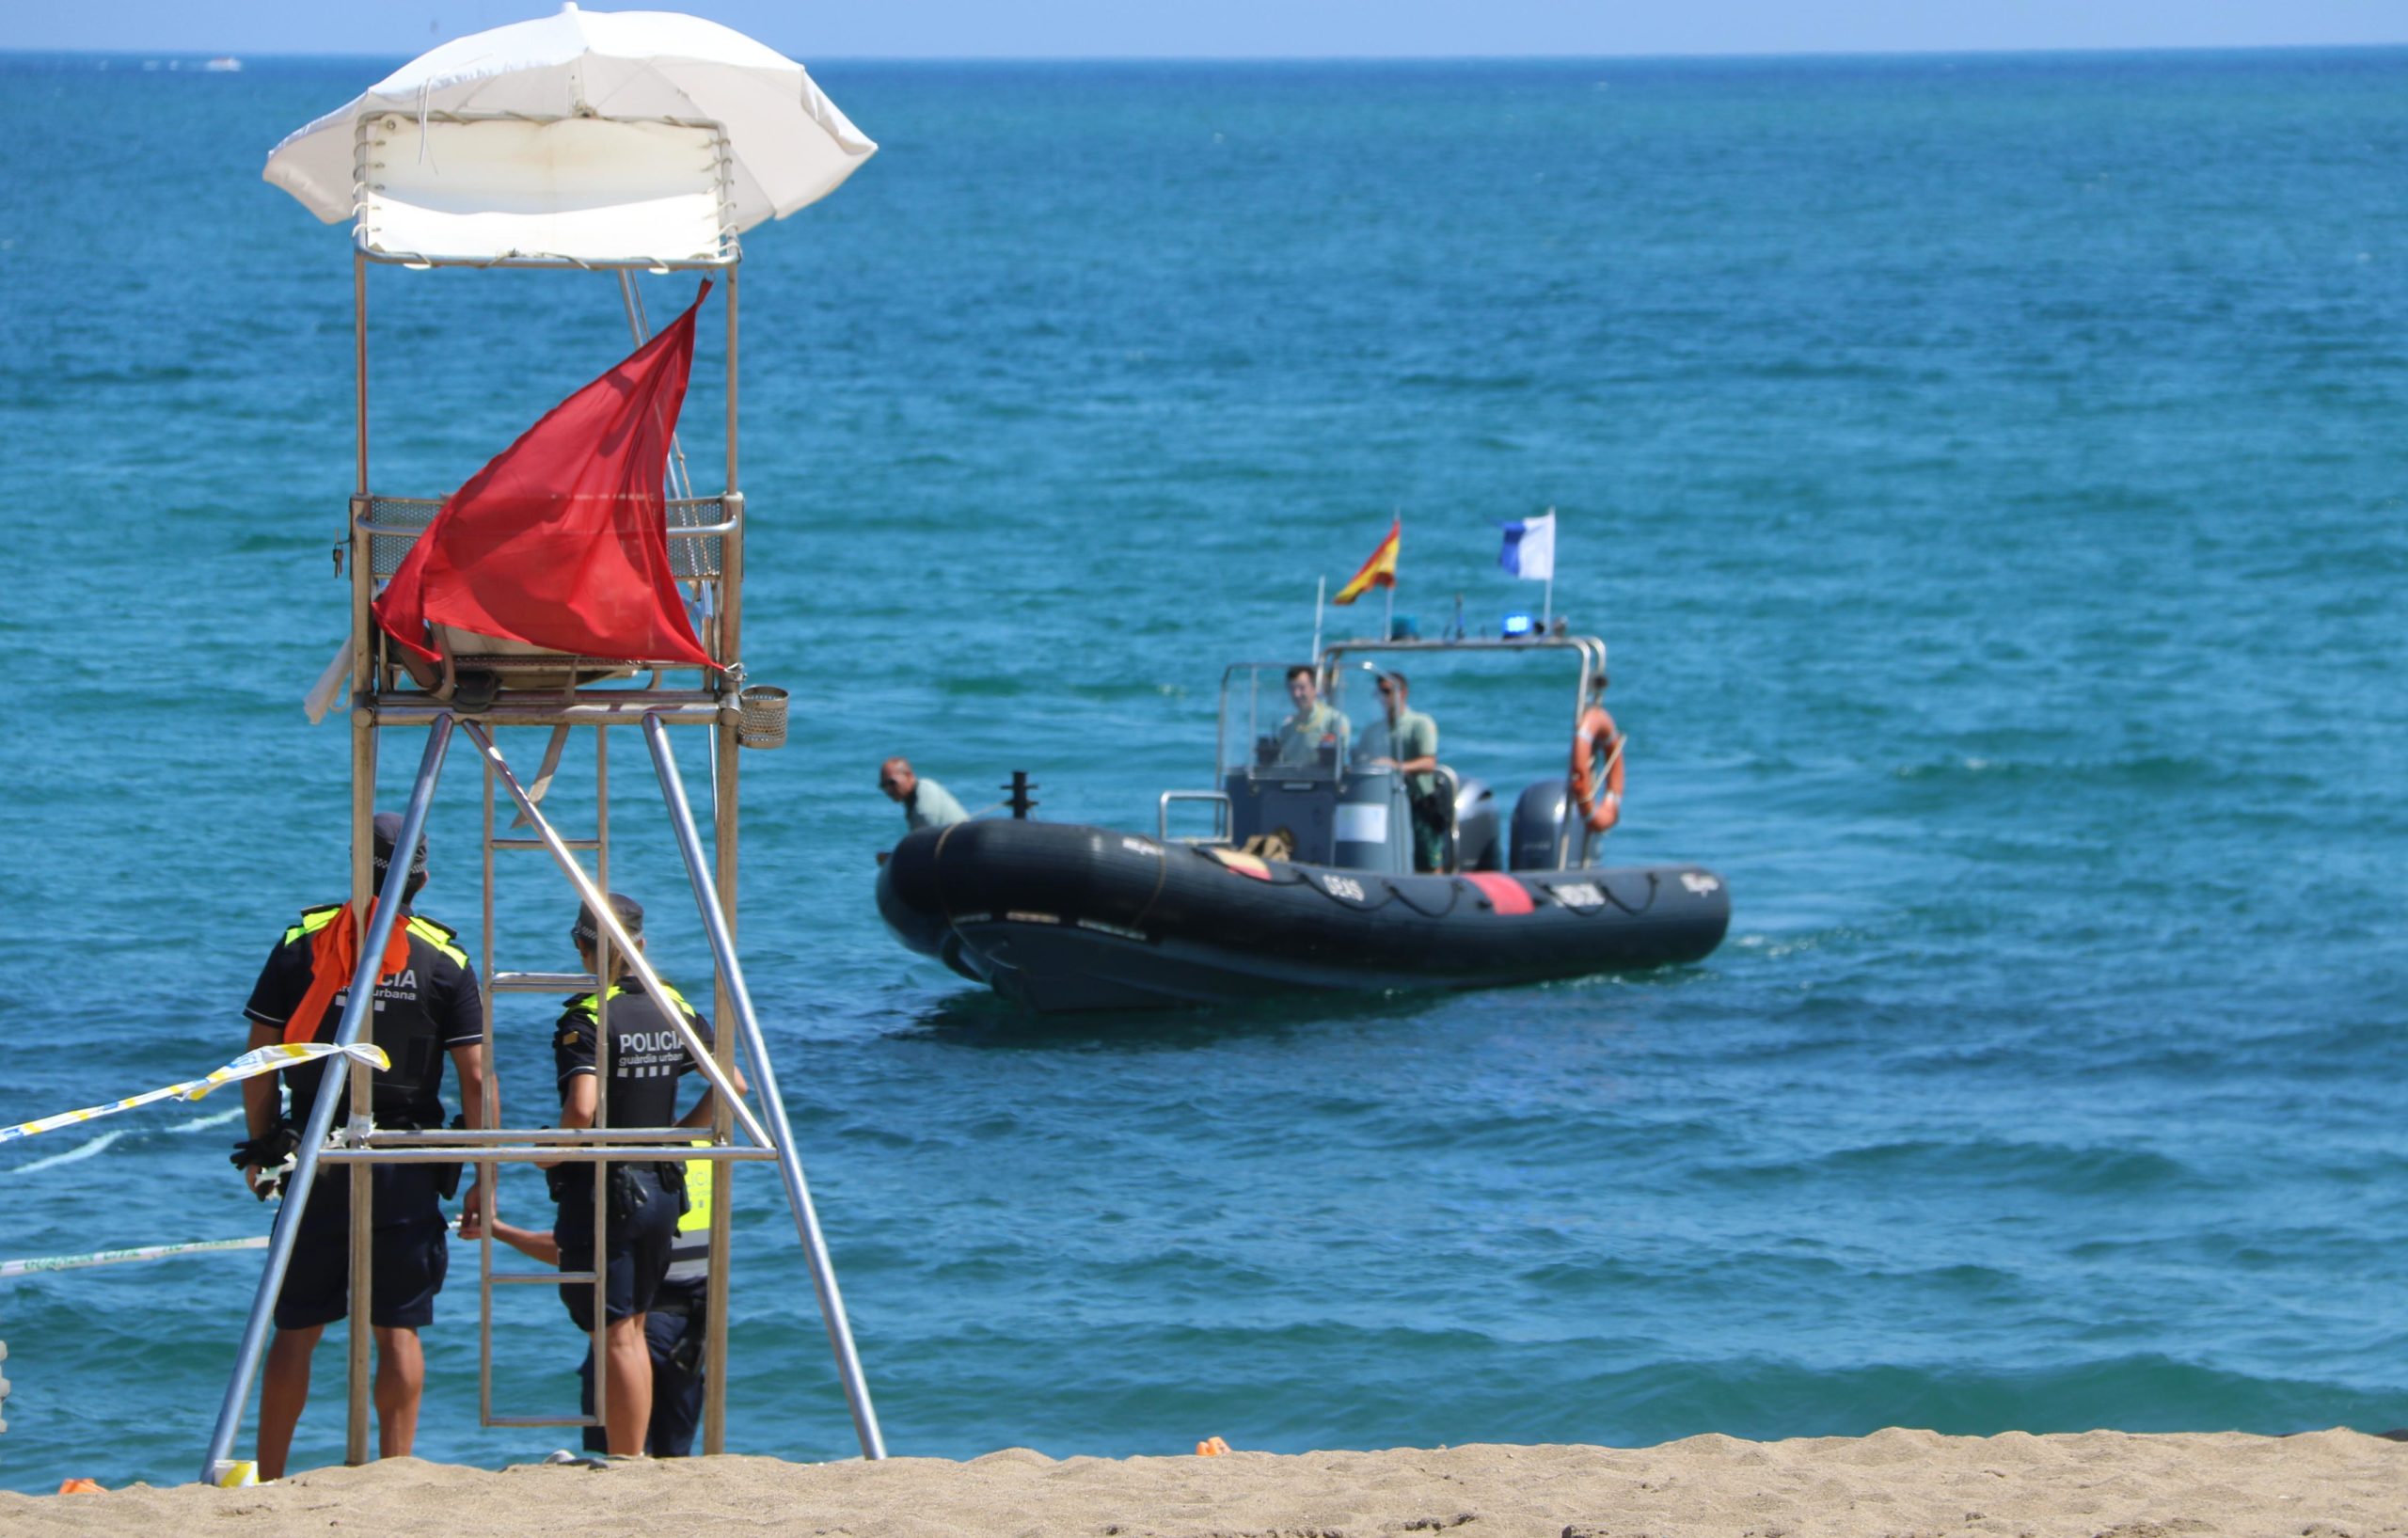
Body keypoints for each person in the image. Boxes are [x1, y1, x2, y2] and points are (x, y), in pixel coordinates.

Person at [233, 812, 488, 1482]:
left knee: (297, 1326)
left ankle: (272, 1472)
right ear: (423, 875)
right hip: (403, 1160)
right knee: (397, 1327)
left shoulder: (304, 941)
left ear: (354, 863)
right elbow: (477, 1078)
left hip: (314, 1152)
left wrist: (260, 1144)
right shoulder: (446, 959)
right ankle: (396, 1473)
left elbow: (260, 1057)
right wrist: (484, 1174)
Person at [541, 894, 742, 1457]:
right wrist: (677, 1132)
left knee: (616, 1333)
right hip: (661, 1183)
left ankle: (626, 1459)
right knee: (631, 1326)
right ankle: (633, 1457)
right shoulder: (672, 1004)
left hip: (609, 1188)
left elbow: (583, 1108)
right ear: (641, 946)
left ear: (583, 950)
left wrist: (549, 1151)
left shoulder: (587, 1017)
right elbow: (734, 1087)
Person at [464, 1156, 713, 1458]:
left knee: (621, 1445)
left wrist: (499, 1230)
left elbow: (584, 1253)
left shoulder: (632, 1163)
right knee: (672, 1455)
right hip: (691, 1329)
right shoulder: (697, 1157)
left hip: (637, 1320)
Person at [1364, 672, 1447, 873]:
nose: (1383, 698)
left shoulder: (1420, 724)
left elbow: (1429, 762)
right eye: (1379, 693)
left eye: (1387, 691)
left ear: (1403, 693)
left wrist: (1396, 766)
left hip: (1418, 803)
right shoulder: (1373, 730)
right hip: (1384, 805)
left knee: (1428, 860)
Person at [1273, 665, 1350, 768]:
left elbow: (1337, 758)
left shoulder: (1334, 720)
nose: (1296, 694)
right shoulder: (1287, 727)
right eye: (1292, 688)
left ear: (1314, 688)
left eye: (1302, 687)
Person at [879, 756, 969, 831]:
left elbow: (926, 842)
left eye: (892, 783)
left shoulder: (925, 799)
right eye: (884, 785)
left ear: (909, 776)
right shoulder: (912, 800)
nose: (889, 789)